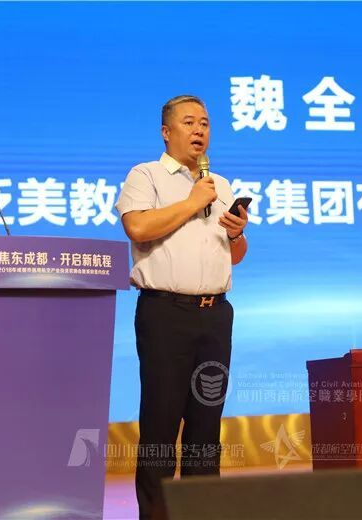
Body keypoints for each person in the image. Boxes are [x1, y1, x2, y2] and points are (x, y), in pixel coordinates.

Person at [115, 94, 249, 519]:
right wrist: (192, 202)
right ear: (166, 131)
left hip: (216, 315)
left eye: (205, 123)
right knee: (161, 424)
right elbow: (137, 227)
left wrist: (236, 233)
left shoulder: (219, 184)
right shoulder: (147, 175)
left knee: (206, 428)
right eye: (189, 122)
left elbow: (234, 256)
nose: (199, 130)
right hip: (165, 313)